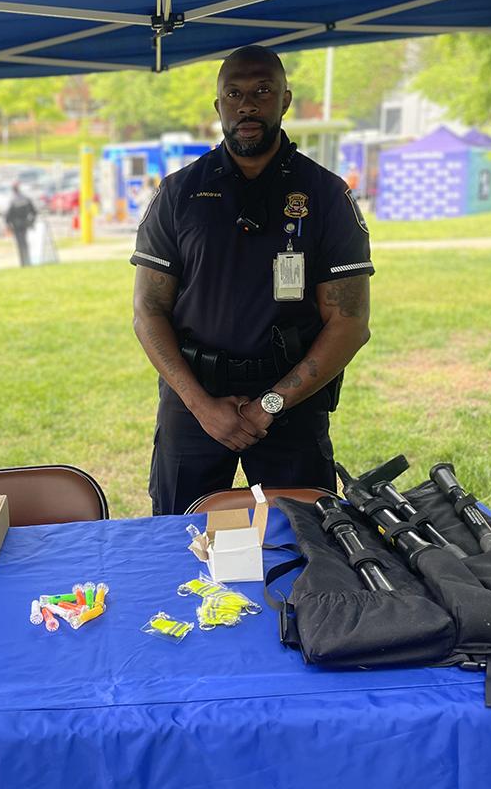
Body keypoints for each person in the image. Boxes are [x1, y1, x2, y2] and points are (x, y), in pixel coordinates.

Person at [131, 45, 373, 515]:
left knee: (307, 544)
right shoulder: (179, 193)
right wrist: (201, 406)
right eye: (234, 93)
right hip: (193, 396)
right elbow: (148, 310)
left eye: (263, 91)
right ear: (218, 105)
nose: (247, 105)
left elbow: (350, 322)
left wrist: (269, 405)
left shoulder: (325, 194)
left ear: (285, 99)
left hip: (291, 400)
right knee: (177, 540)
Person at [4, 181, 36, 267]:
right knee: (24, 242)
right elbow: (34, 211)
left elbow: (7, 215)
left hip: (17, 225)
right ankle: (27, 261)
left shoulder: (13, 200)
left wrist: (8, 224)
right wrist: (31, 221)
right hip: (25, 223)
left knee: (20, 243)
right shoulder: (25, 198)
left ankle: (24, 262)